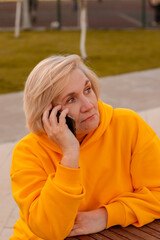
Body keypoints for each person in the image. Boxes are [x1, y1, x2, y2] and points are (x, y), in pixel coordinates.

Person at [10, 54, 160, 240]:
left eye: (87, 90)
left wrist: (106, 216)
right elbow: (50, 230)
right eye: (71, 100)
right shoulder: (28, 152)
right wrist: (70, 154)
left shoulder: (129, 125)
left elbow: (158, 193)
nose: (89, 105)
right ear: (48, 113)